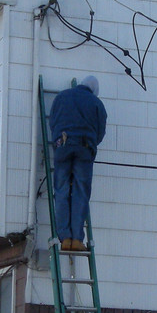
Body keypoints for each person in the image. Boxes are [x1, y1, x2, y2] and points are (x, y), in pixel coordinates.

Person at [49, 75, 107, 252]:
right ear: (94, 90)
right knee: (81, 192)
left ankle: (64, 238)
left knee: (61, 190)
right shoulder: (96, 104)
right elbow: (100, 132)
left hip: (62, 145)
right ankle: (76, 240)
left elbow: (53, 123)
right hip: (84, 148)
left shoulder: (61, 97)